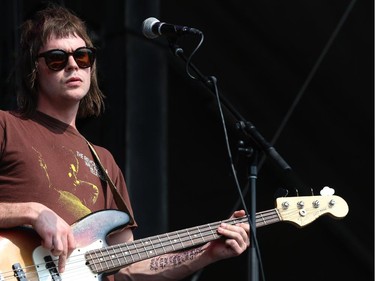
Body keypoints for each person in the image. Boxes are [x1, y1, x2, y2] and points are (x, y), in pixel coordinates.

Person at [0, 4, 250, 281]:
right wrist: (32, 212)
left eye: (83, 57)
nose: (73, 65)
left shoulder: (103, 161)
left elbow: (128, 269)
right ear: (34, 69)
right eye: (57, 59)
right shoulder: (6, 126)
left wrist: (207, 253)